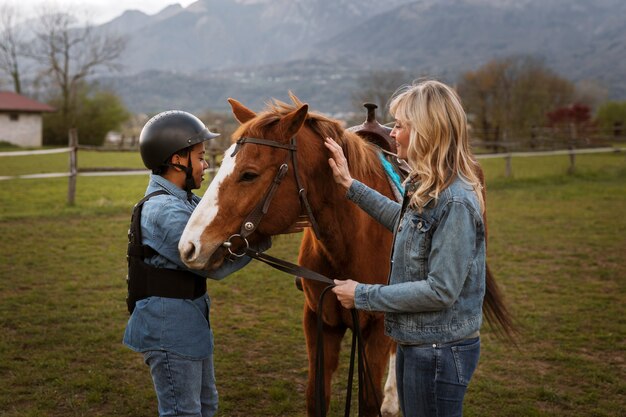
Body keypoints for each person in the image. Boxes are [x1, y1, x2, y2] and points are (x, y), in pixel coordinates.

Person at [325, 80, 486, 417]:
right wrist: (349, 185)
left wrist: (363, 295)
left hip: (438, 351)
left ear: (427, 131)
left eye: (399, 125)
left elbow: (441, 291)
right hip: (422, 344)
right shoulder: (430, 185)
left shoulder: (455, 200)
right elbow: (403, 223)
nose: (391, 133)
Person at [123, 110, 268, 417]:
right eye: (201, 157)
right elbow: (213, 263)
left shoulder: (185, 201)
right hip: (168, 328)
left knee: (205, 406)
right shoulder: (164, 211)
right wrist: (261, 239)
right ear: (177, 159)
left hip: (188, 324)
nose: (206, 165)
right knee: (183, 412)